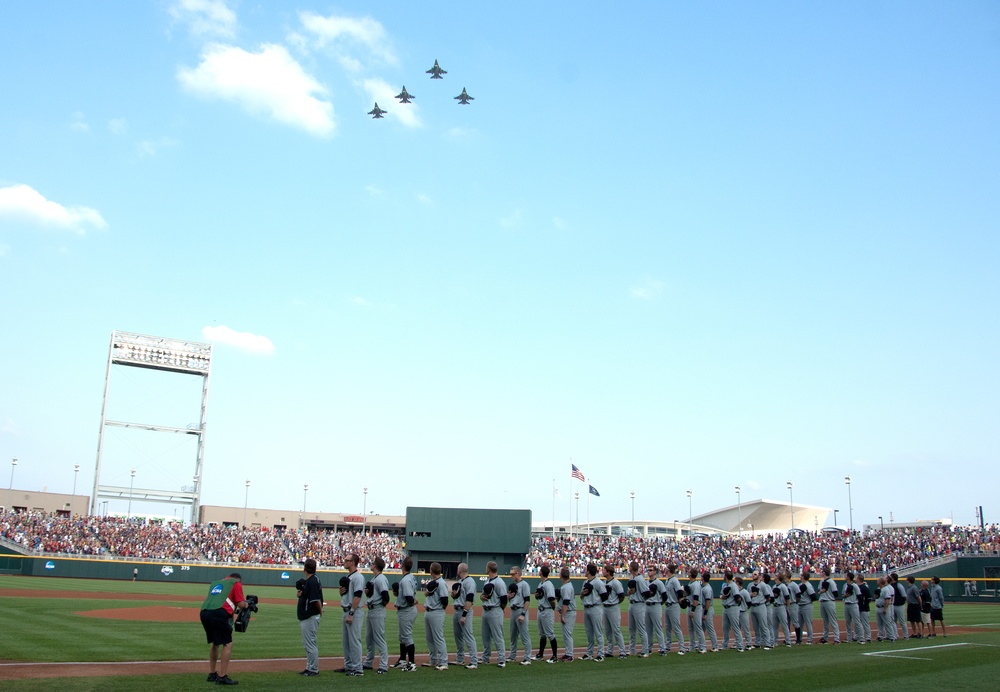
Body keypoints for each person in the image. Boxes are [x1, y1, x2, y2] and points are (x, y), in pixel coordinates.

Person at [200, 571, 248, 686]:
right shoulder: (236, 583)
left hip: (204, 612)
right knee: (227, 643)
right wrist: (247, 605)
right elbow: (241, 604)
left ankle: (212, 673)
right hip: (218, 613)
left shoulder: (217, 583)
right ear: (238, 579)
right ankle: (222, 676)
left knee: (215, 643)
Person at [363, 556, 390, 674]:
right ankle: (368, 662)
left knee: (379, 638)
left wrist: (380, 605)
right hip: (371, 610)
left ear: (376, 565)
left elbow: (386, 597)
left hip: (378, 610)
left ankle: (384, 666)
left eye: (373, 563)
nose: (371, 564)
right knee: (369, 638)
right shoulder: (374, 578)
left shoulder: (380, 579)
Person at [296, 558, 323, 677]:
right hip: (308, 616)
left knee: (310, 643)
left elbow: (316, 599)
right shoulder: (311, 580)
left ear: (305, 568)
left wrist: (320, 610)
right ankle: (309, 666)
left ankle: (313, 669)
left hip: (310, 616)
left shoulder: (312, 581)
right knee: (307, 643)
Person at [341, 552, 366, 676]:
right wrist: (342, 593)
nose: (344, 561)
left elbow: (358, 596)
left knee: (355, 640)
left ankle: (358, 668)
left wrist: (351, 613)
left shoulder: (358, 577)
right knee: (346, 641)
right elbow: (349, 595)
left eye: (346, 560)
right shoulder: (349, 577)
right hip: (347, 610)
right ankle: (349, 666)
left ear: (352, 563)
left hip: (354, 612)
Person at [479, 561, 507, 667]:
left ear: (489, 569)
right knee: (485, 636)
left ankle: (501, 660)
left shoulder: (499, 582)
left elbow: (504, 599)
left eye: (486, 567)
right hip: (486, 610)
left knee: (498, 636)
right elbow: (483, 595)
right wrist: (482, 597)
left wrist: (500, 609)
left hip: (495, 610)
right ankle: (485, 658)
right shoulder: (487, 581)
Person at [392, 556, 418, 671]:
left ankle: (412, 663)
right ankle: (403, 660)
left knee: (407, 637)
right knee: (402, 637)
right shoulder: (410, 577)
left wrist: (412, 601)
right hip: (406, 610)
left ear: (402, 565)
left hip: (406, 610)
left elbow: (408, 597)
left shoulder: (406, 579)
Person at [423, 561, 449, 670]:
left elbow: (445, 600)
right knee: (430, 638)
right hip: (429, 611)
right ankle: (433, 660)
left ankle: (444, 662)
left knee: (438, 638)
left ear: (431, 570)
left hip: (436, 612)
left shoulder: (441, 583)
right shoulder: (434, 582)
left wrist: (440, 610)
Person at [452, 562, 478, 668]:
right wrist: (453, 595)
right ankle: (460, 658)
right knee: (458, 636)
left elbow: (469, 599)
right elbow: (456, 597)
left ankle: (474, 661)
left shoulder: (470, 581)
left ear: (460, 570)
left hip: (464, 610)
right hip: (457, 609)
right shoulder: (460, 581)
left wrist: (464, 614)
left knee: (468, 636)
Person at [580, 562, 606, 661]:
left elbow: (604, 596)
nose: (585, 572)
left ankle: (600, 654)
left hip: (595, 607)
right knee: (589, 632)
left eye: (586, 570)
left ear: (589, 571)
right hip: (587, 607)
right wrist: (582, 593)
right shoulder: (585, 582)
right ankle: (589, 653)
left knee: (598, 632)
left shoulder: (598, 582)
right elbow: (582, 596)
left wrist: (597, 602)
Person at [533, 563, 559, 662]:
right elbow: (538, 596)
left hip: (547, 610)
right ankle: (540, 654)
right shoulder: (541, 584)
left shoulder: (548, 584)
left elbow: (552, 599)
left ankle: (555, 656)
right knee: (542, 634)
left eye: (540, 570)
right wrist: (537, 595)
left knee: (550, 634)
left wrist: (552, 608)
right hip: (540, 610)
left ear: (541, 572)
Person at [601, 563, 627, 659]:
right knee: (608, 631)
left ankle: (622, 652)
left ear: (608, 572)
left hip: (613, 607)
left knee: (616, 630)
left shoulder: (616, 583)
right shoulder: (604, 582)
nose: (602, 572)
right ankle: (610, 651)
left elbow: (621, 596)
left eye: (604, 570)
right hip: (606, 607)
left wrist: (615, 603)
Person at [508, 566, 533, 665]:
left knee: (524, 635)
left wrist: (523, 614)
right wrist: (508, 597)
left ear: (518, 573)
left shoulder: (524, 585)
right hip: (513, 610)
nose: (511, 576)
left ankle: (527, 658)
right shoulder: (513, 585)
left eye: (513, 574)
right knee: (513, 636)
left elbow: (527, 600)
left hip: (520, 610)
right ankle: (512, 656)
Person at [662, 563, 686, 655]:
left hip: (674, 605)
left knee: (676, 627)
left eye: (666, 569)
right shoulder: (668, 580)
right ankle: (668, 647)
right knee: (667, 627)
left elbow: (680, 592)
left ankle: (682, 648)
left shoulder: (674, 580)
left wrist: (680, 599)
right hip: (668, 605)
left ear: (669, 570)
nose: (665, 570)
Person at [626, 561, 649, 657]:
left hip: (639, 604)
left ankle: (645, 651)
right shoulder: (632, 578)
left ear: (632, 568)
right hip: (632, 603)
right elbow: (629, 592)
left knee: (641, 628)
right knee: (632, 629)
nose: (629, 568)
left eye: (630, 567)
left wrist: (642, 601)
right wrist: (630, 592)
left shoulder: (640, 579)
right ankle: (632, 650)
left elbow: (647, 593)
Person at [719, 570, 744, 651]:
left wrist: (736, 604)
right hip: (726, 608)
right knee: (725, 628)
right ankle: (724, 645)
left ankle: (740, 646)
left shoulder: (733, 586)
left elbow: (738, 598)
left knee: (735, 627)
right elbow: (722, 595)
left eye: (724, 575)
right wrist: (722, 597)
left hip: (732, 607)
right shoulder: (725, 585)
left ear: (726, 577)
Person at [644, 565, 666, 655]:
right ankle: (648, 648)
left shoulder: (659, 583)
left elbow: (665, 596)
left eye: (651, 570)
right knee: (648, 629)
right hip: (647, 605)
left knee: (658, 628)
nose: (649, 571)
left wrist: (659, 603)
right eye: (648, 570)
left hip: (656, 605)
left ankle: (663, 648)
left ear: (655, 572)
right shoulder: (645, 582)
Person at [557, 566, 577, 661]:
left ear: (561, 576)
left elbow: (566, 602)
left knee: (567, 634)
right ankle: (568, 653)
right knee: (566, 634)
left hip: (568, 612)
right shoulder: (567, 586)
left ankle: (570, 655)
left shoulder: (566, 587)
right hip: (568, 612)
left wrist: (563, 615)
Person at [817, 567, 840, 644]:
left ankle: (837, 638)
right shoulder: (821, 581)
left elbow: (836, 593)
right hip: (822, 601)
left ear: (824, 573)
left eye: (822, 572)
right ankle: (825, 638)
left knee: (833, 620)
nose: (821, 573)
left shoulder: (831, 582)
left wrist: (826, 593)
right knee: (825, 621)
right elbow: (819, 590)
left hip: (829, 601)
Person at [687, 567, 706, 653]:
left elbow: (696, 598)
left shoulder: (696, 584)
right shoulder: (691, 583)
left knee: (698, 628)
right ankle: (692, 647)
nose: (688, 573)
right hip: (690, 606)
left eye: (689, 572)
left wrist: (693, 610)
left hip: (696, 607)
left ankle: (703, 647)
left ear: (691, 574)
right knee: (690, 628)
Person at [749, 571, 770, 650]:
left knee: (764, 626)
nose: (753, 575)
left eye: (755, 574)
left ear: (759, 576)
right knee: (756, 627)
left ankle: (768, 644)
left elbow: (767, 597)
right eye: (753, 574)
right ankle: (758, 643)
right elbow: (748, 596)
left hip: (760, 606)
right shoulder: (750, 585)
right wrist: (751, 595)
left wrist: (762, 602)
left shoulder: (763, 585)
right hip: (753, 606)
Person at [842, 571, 862, 644]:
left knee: (857, 622)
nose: (845, 576)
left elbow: (859, 595)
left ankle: (862, 638)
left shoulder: (855, 586)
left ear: (849, 577)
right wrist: (845, 596)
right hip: (846, 604)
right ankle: (849, 638)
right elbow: (842, 594)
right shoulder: (845, 585)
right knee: (848, 622)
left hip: (853, 604)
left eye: (846, 575)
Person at [701, 571, 719, 652]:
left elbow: (707, 602)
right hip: (704, 608)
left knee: (710, 628)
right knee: (702, 628)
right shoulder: (705, 587)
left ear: (703, 578)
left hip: (707, 609)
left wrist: (705, 613)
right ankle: (701, 643)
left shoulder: (707, 588)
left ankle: (715, 646)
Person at [875, 576, 897, 642]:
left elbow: (888, 599)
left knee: (887, 623)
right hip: (878, 607)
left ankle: (892, 637)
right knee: (879, 623)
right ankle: (880, 636)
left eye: (878, 581)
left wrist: (885, 608)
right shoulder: (878, 589)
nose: (877, 582)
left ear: (880, 582)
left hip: (883, 607)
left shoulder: (886, 589)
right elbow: (876, 598)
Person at [798, 571, 817, 644]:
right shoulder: (800, 585)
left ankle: (810, 639)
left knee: (808, 623)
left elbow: (814, 597)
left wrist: (807, 601)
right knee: (799, 624)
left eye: (801, 575)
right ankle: (799, 639)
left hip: (807, 605)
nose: (800, 576)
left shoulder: (808, 586)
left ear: (803, 577)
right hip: (800, 605)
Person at [736, 576, 753, 649]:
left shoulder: (744, 592)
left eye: (735, 581)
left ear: (738, 583)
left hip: (743, 612)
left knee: (746, 628)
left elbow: (749, 603)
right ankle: (738, 643)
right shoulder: (735, 591)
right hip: (736, 612)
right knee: (737, 628)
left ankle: (749, 643)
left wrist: (745, 609)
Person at [890, 573, 908, 640]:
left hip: (900, 605)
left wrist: (903, 603)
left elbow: (904, 596)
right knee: (893, 621)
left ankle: (906, 635)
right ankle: (895, 635)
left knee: (902, 621)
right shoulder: (891, 585)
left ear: (893, 578)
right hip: (893, 605)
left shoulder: (899, 585)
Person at [856, 572, 873, 643]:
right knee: (858, 622)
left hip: (864, 608)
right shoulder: (857, 587)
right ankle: (858, 636)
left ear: (859, 579)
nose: (855, 579)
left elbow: (869, 598)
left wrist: (864, 604)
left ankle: (868, 637)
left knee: (865, 623)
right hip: (858, 607)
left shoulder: (864, 588)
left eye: (856, 578)